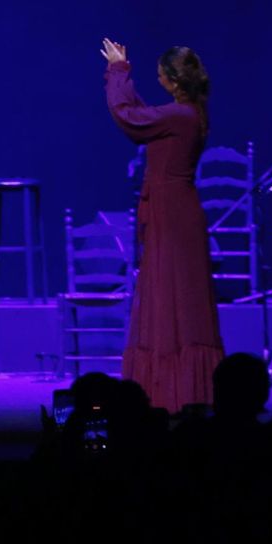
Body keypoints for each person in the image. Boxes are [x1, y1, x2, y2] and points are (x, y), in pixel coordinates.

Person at [101, 38, 223, 410]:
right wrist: (123, 74)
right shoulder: (186, 114)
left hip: (174, 216)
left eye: (160, 76)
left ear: (173, 80)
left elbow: (129, 117)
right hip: (174, 211)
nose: (159, 81)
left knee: (176, 300)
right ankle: (173, 389)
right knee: (168, 296)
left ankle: (179, 391)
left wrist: (118, 71)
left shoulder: (180, 115)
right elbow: (146, 118)